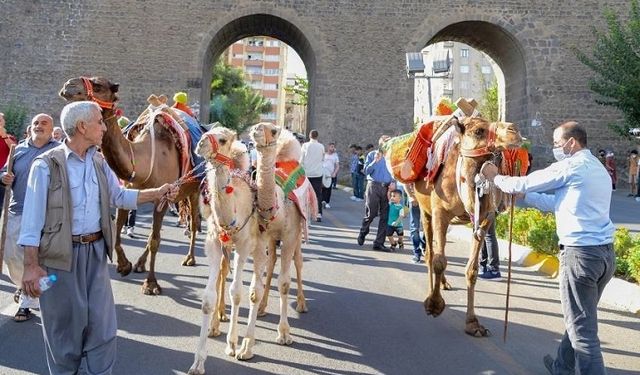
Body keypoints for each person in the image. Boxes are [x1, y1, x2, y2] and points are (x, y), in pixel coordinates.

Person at [18, 101, 178, 375]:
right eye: (100, 122)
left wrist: (157, 192)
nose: (105, 127)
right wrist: (32, 267)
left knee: (103, 328)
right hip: (57, 264)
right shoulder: (45, 166)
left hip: (94, 255)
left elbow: (119, 197)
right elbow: (31, 222)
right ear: (82, 127)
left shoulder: (99, 161)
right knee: (63, 330)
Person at [481, 121, 615, 375]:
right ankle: (561, 367)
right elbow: (560, 204)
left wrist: (495, 177)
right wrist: (525, 198)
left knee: (584, 334)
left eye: (557, 143)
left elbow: (523, 183)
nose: (555, 148)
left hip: (580, 256)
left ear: (571, 142)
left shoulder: (571, 166)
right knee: (579, 319)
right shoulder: (595, 168)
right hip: (604, 254)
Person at [1, 113, 59, 322]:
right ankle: (23, 285)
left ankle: (28, 300)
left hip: (46, 215)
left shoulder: (58, 150)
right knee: (10, 256)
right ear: (29, 127)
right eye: (36, 123)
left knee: (36, 260)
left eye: (44, 123)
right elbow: (3, 172)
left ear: (52, 129)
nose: (39, 126)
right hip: (17, 211)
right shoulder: (18, 150)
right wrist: (4, 177)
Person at [357, 135, 395, 251]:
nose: (387, 144)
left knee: (385, 216)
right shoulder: (372, 154)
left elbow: (395, 171)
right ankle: (363, 231)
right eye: (385, 142)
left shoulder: (392, 156)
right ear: (381, 144)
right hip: (373, 186)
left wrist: (393, 182)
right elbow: (366, 171)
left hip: (387, 188)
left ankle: (379, 242)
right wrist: (375, 161)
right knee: (371, 213)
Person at [300, 129, 325, 221]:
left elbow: (301, 160)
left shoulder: (305, 146)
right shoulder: (321, 146)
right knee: (318, 194)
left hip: (307, 173)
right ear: (317, 136)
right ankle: (318, 213)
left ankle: (306, 213)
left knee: (305, 193)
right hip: (318, 173)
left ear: (310, 136)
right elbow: (323, 159)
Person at [0, 112, 18, 217]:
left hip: (2, 177)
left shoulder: (9, 138)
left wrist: (4, 136)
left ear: (4, 122)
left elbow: (16, 150)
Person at [405, 183, 425, 263]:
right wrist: (411, 196)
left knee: (428, 226)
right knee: (415, 227)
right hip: (415, 199)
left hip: (428, 199)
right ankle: (417, 252)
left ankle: (425, 247)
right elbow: (405, 181)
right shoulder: (411, 169)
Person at [321, 142, 339, 209]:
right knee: (322, 188)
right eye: (331, 146)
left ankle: (327, 202)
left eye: (333, 147)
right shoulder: (324, 154)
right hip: (323, 173)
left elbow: (337, 166)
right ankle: (322, 201)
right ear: (328, 147)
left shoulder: (335, 155)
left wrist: (334, 173)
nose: (332, 148)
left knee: (328, 188)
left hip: (330, 174)